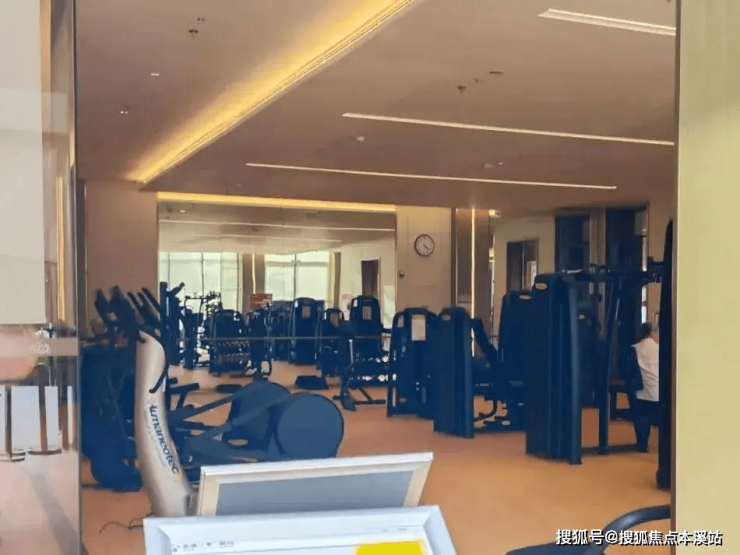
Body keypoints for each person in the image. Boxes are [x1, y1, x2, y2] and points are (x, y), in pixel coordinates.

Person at [633, 322, 660, 452]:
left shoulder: (635, 348)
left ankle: (642, 444)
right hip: (658, 391)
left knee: (641, 416)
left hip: (642, 390)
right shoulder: (659, 348)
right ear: (652, 333)